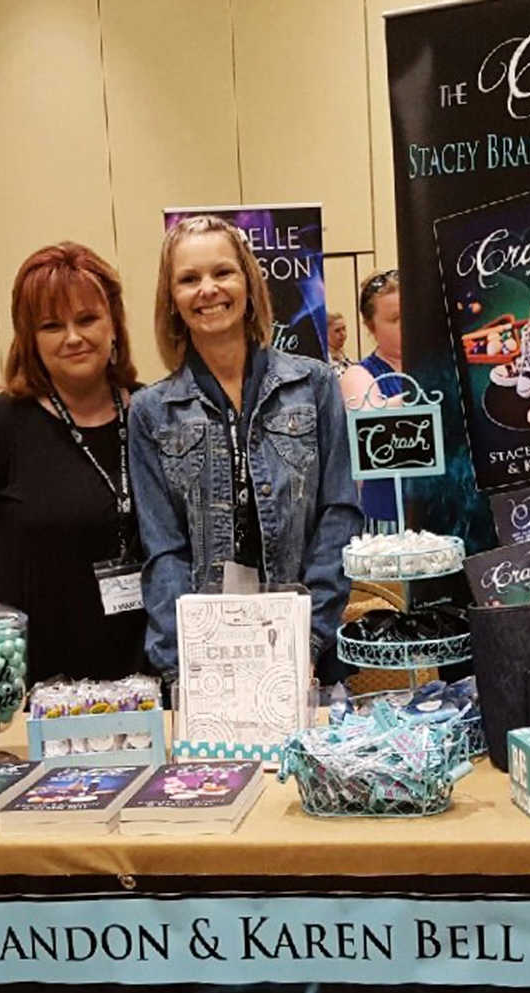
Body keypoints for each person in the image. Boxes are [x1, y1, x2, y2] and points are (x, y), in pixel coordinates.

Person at [129, 214, 362, 682]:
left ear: (249, 285)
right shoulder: (150, 411)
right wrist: (186, 665)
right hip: (208, 662)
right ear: (172, 300)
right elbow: (163, 552)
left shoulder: (313, 384)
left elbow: (338, 515)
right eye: (189, 279)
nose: (208, 289)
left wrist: (309, 639)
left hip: (305, 651)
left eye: (222, 272)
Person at [0, 242, 147, 684]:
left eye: (88, 319)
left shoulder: (155, 414)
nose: (74, 337)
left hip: (149, 683)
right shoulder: (1, 425)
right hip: (34, 694)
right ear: (30, 339)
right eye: (52, 325)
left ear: (114, 323)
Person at [339, 269, 403, 530]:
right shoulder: (359, 374)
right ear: (370, 326)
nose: (410, 323)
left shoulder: (441, 364)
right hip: (390, 520)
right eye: (396, 318)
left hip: (446, 510)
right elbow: (371, 423)